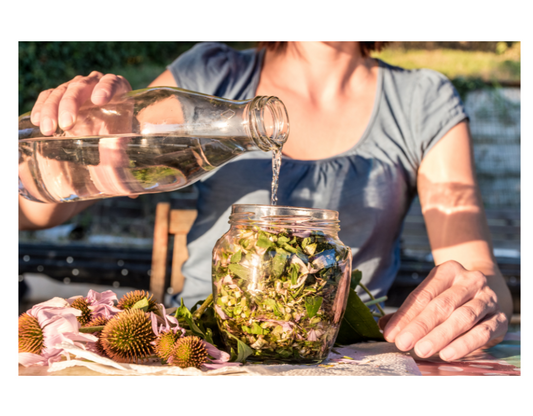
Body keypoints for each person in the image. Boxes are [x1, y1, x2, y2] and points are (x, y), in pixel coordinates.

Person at [21, 41, 512, 362]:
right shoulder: (211, 75)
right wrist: (72, 150)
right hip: (195, 351)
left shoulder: (421, 99)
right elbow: (38, 212)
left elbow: (474, 266)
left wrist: (475, 299)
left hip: (346, 359)